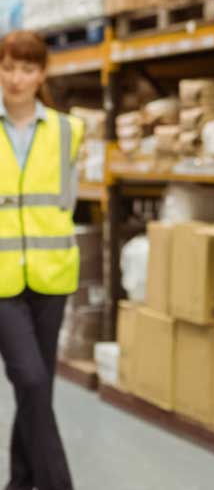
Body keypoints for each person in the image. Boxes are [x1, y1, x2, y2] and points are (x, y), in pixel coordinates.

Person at [0, 30, 83, 490]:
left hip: (52, 275)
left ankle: (19, 482)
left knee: (39, 390)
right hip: (1, 280)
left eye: (28, 68)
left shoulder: (68, 130)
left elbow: (66, 200)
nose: (17, 78)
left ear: (43, 73)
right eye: (8, 67)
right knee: (29, 379)